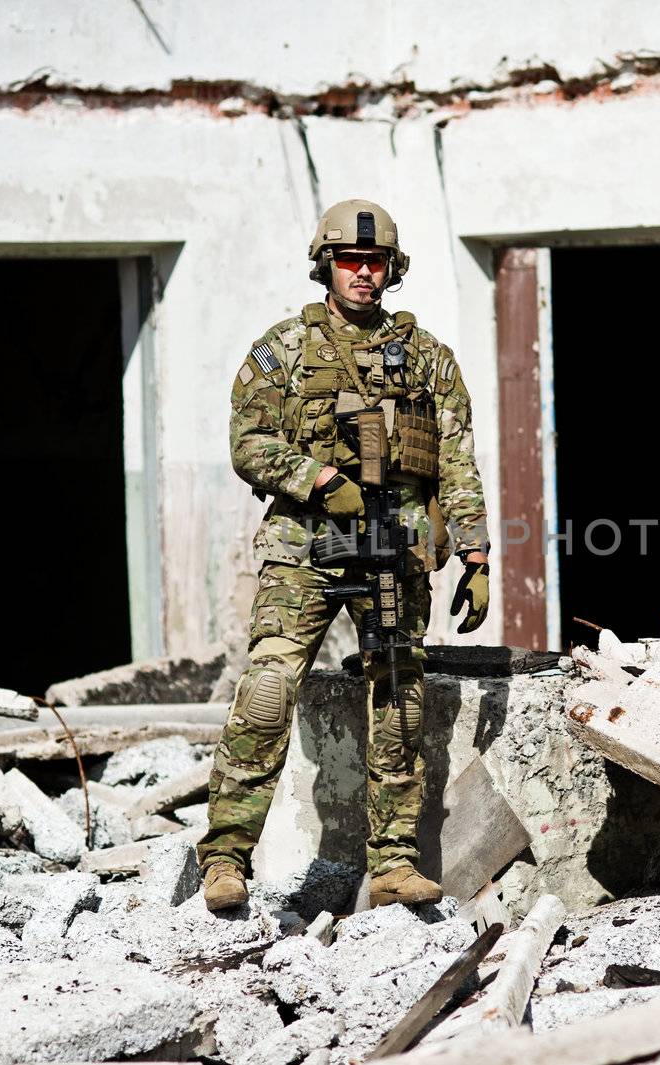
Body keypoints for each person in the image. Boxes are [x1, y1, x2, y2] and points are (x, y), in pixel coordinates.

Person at [200, 199, 491, 911]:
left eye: (376, 262)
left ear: (393, 270)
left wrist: (478, 552)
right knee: (268, 691)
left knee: (398, 699)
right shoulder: (283, 351)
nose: (364, 273)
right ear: (325, 264)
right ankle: (225, 857)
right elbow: (248, 443)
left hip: (394, 546)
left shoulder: (427, 359)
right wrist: (318, 479)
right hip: (306, 546)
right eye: (350, 261)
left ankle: (392, 861)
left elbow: (455, 460)